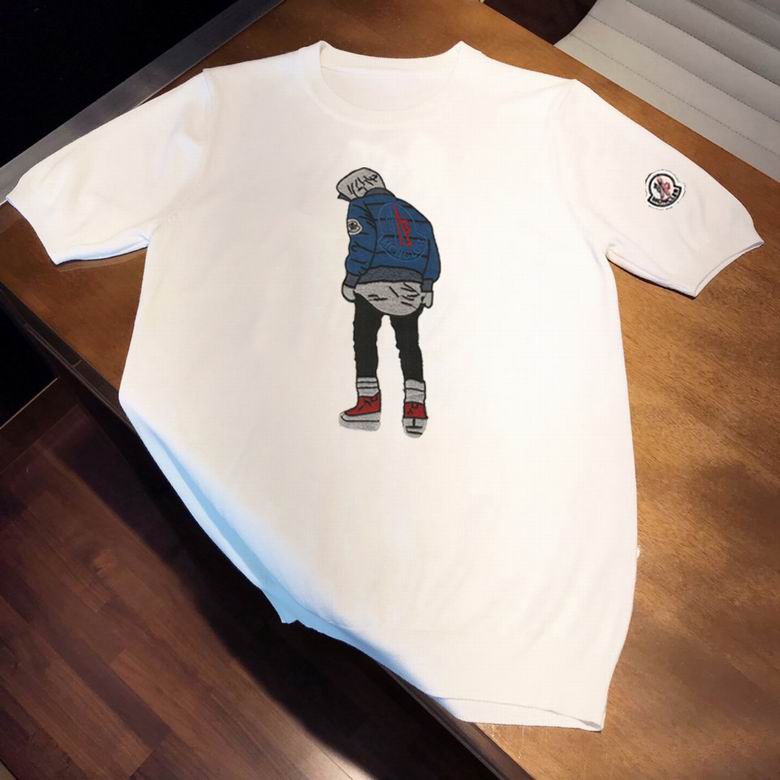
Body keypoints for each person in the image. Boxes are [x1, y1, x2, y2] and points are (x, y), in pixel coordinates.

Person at [336, 168, 441, 437]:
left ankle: (368, 404)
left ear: (358, 189)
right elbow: (431, 246)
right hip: (411, 289)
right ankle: (415, 407)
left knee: (364, 339)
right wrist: (427, 284)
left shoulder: (360, 207)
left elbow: (362, 244)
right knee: (409, 344)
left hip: (372, 284)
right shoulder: (413, 212)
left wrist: (351, 279)